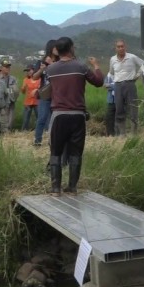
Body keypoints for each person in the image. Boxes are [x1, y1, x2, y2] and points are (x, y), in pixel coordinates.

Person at [45, 37, 103, 196]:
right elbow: (98, 82)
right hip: (78, 116)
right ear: (71, 48)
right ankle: (72, 187)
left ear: (57, 50)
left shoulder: (50, 70)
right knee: (75, 152)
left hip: (58, 115)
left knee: (55, 152)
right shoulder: (81, 67)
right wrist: (96, 66)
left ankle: (56, 188)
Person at [109, 39, 144, 136]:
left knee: (133, 108)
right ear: (115, 48)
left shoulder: (132, 57)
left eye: (122, 46)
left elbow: (143, 64)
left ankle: (134, 133)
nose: (120, 48)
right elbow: (111, 72)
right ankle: (122, 134)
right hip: (118, 85)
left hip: (130, 84)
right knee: (119, 108)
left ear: (125, 47)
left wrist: (137, 75)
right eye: (118, 47)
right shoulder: (112, 59)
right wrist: (115, 80)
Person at [31, 40, 58, 146]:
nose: (57, 50)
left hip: (57, 94)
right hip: (45, 94)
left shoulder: (60, 61)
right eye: (55, 48)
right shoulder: (41, 61)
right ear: (50, 48)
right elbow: (34, 77)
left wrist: (51, 64)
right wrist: (41, 70)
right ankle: (37, 141)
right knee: (42, 117)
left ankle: (53, 141)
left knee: (55, 118)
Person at [0, 60, 19, 131]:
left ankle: (9, 131)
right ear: (1, 68)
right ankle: (3, 131)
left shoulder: (13, 78)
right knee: (3, 117)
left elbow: (16, 90)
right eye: (6, 67)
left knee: (11, 118)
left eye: (9, 67)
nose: (8, 68)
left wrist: (14, 98)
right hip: (2, 102)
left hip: (11, 100)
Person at [20, 64, 39, 131]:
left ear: (33, 70)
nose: (28, 72)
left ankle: (39, 130)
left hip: (37, 101)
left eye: (29, 70)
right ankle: (24, 131)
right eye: (27, 71)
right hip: (28, 101)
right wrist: (23, 88)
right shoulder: (25, 79)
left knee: (39, 117)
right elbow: (23, 92)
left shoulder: (39, 79)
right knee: (26, 118)